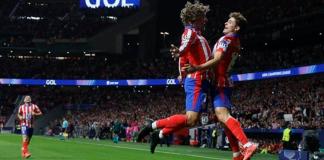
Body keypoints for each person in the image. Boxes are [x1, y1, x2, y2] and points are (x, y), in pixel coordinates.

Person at [137, 1, 212, 154]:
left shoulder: (198, 36)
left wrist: (181, 72)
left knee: (195, 120)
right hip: (197, 80)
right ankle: (153, 127)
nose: (206, 20)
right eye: (203, 17)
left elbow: (184, 57)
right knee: (191, 119)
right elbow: (183, 50)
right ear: (194, 18)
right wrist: (180, 54)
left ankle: (159, 134)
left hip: (203, 81)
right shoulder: (190, 32)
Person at [183, 12, 257, 160]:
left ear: (236, 28)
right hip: (222, 81)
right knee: (224, 121)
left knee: (223, 115)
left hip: (220, 82)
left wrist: (197, 68)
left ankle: (247, 144)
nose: (226, 23)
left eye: (230, 22)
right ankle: (237, 154)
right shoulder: (235, 40)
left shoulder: (227, 39)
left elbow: (217, 59)